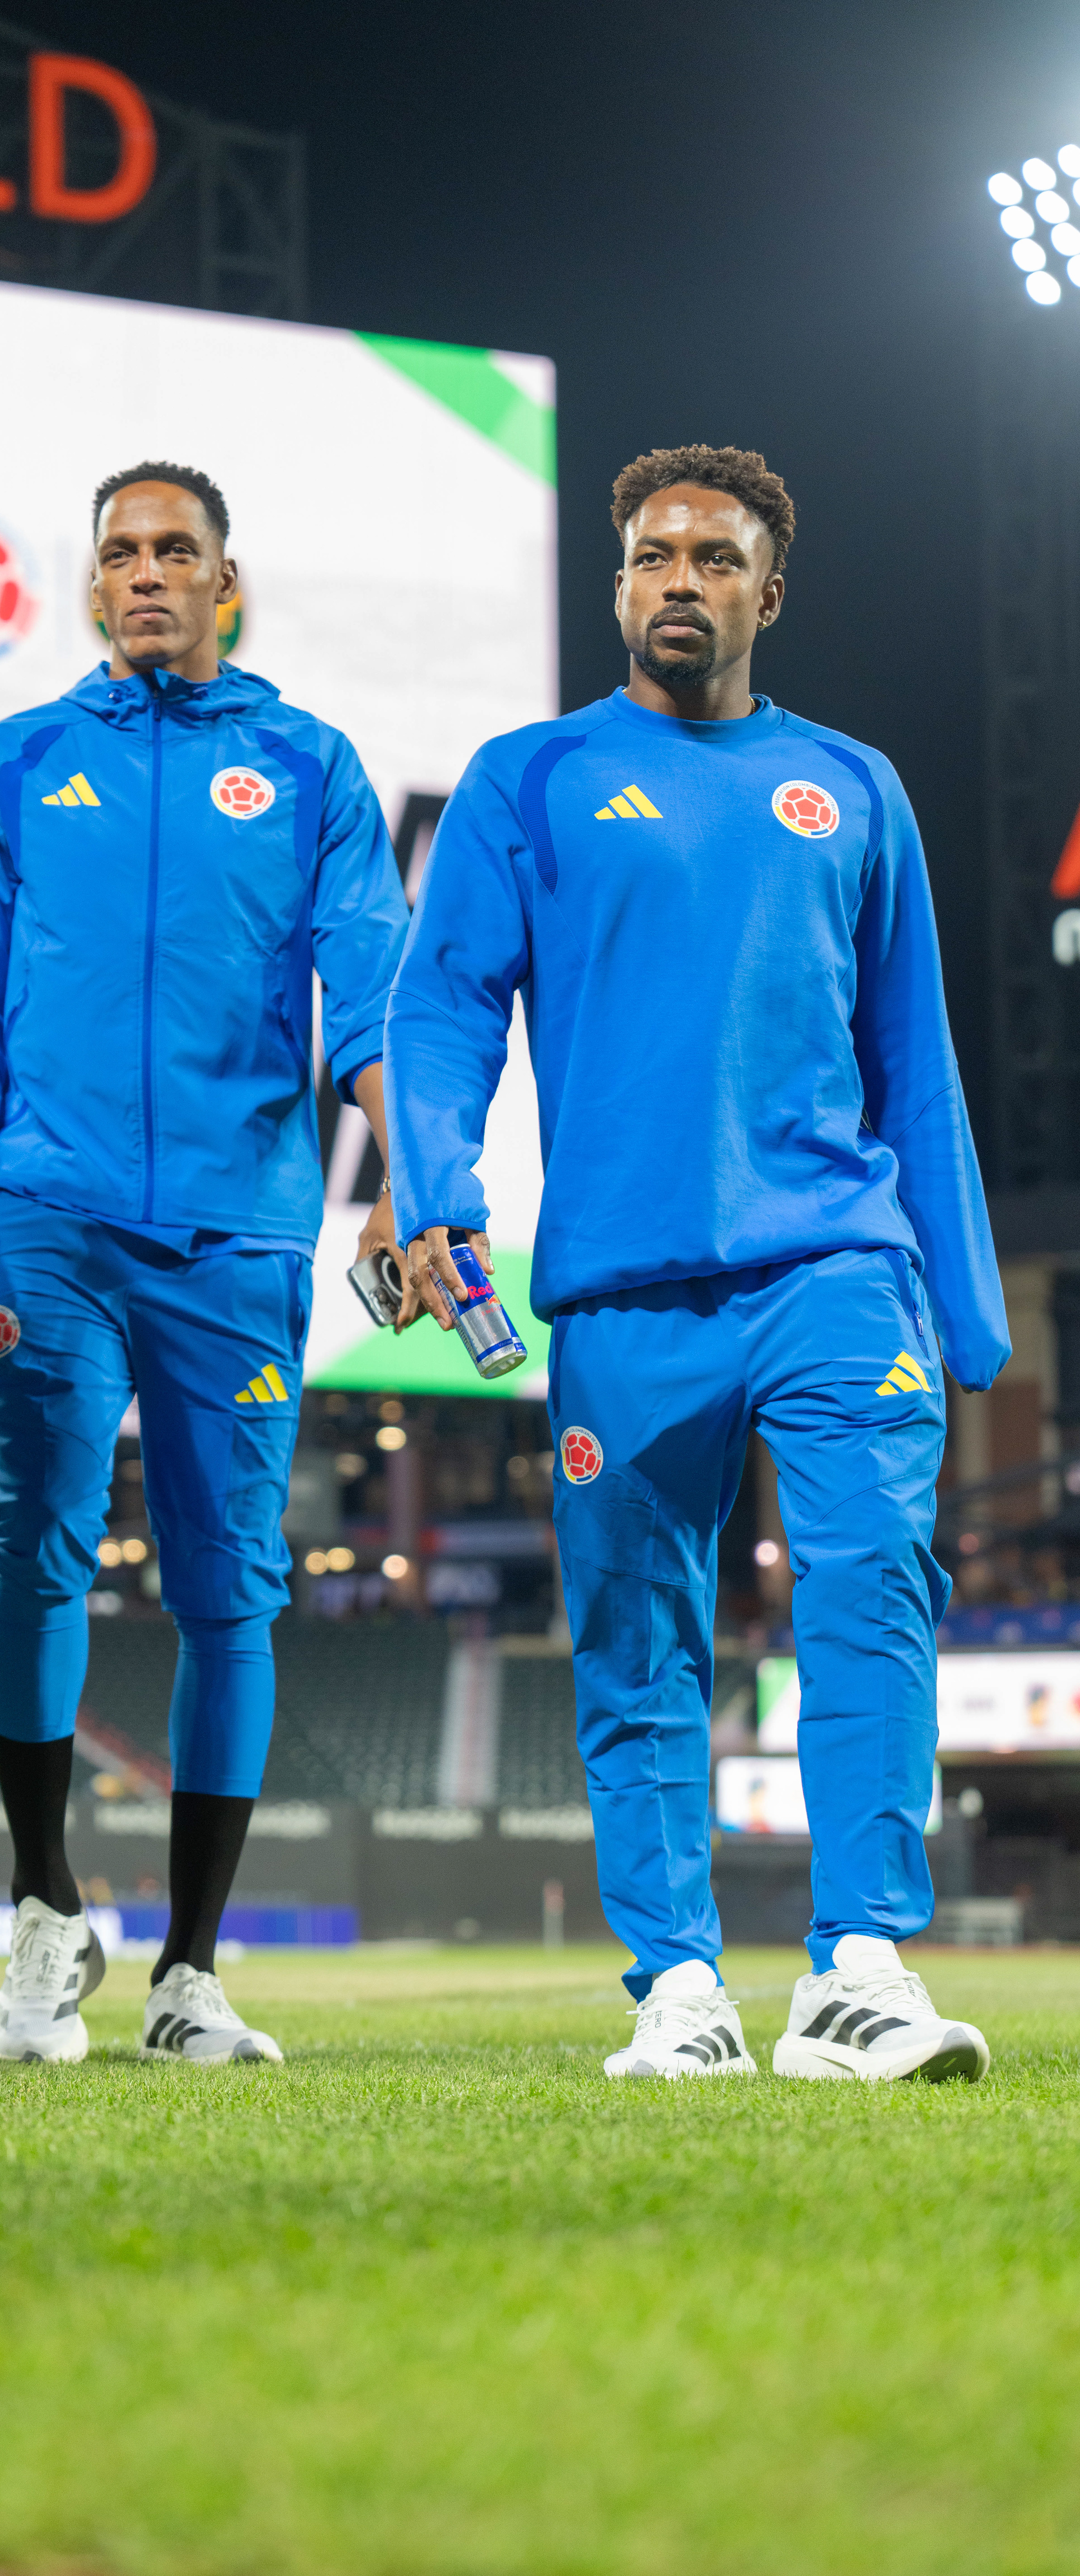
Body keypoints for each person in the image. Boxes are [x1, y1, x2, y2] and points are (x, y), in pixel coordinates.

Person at [386, 443, 1010, 2085]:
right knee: (637, 1634)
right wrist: (437, 1187)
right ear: (619, 583)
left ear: (768, 592)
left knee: (873, 1583)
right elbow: (443, 1010)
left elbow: (915, 1056)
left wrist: (966, 1298)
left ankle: (861, 1968)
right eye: (655, 555)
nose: (681, 580)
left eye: (716, 560)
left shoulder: (854, 788)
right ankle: (680, 1986)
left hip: (834, 1262)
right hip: (618, 1288)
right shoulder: (532, 780)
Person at [0, 461, 407, 2065]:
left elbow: (370, 988)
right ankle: (45, 1913)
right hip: (47, 1219)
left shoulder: (310, 765)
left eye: (174, 552)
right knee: (31, 1549)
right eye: (119, 553)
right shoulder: (19, 761)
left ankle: (191, 1972)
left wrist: (404, 1177)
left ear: (225, 581)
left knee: (227, 1595)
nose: (145, 574)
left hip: (240, 1227)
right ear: (91, 584)